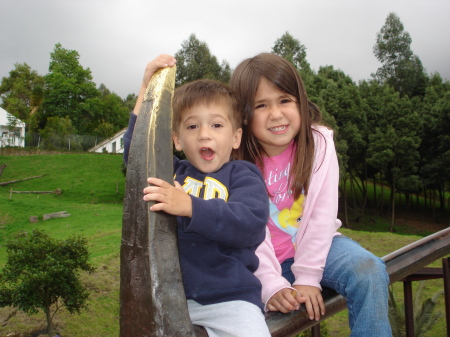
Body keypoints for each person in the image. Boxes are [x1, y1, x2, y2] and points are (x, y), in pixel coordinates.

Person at [229, 53, 392, 336]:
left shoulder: (318, 144)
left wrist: (307, 276)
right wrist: (271, 283)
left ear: (300, 102)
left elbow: (321, 216)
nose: (276, 114)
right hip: (258, 261)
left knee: (369, 271)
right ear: (243, 115)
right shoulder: (236, 162)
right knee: (237, 317)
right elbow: (248, 232)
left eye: (284, 100)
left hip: (320, 250)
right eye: (261, 105)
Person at [123, 54, 271, 337]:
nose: (204, 134)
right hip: (172, 298)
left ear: (236, 137)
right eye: (192, 126)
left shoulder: (243, 175)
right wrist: (146, 89)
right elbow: (138, 155)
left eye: (216, 125)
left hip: (231, 300)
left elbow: (250, 224)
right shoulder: (172, 173)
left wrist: (190, 206)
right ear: (177, 139)